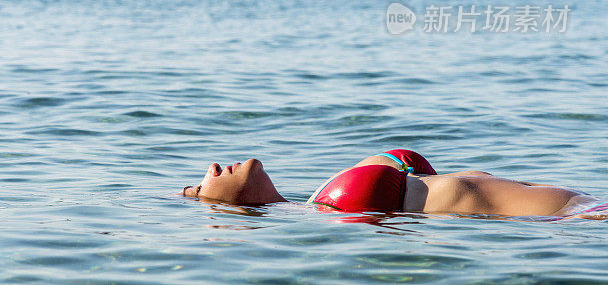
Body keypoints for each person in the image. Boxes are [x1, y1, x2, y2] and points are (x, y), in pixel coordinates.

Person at [181, 151, 608, 219]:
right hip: (576, 218)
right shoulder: (320, 217)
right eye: (201, 186)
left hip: (586, 204)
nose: (214, 166)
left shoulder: (319, 199)